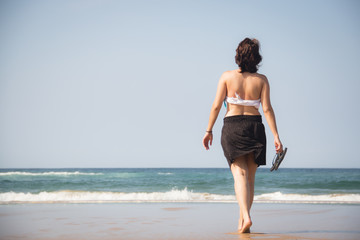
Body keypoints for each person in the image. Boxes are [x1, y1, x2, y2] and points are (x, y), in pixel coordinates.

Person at [202, 38, 283, 233]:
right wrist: (276, 136)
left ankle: (245, 217)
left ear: (238, 54)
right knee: (250, 179)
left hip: (233, 127)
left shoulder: (227, 76)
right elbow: (268, 109)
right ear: (256, 57)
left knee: (239, 174)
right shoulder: (262, 80)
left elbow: (215, 105)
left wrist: (208, 130)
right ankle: (242, 224)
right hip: (255, 127)